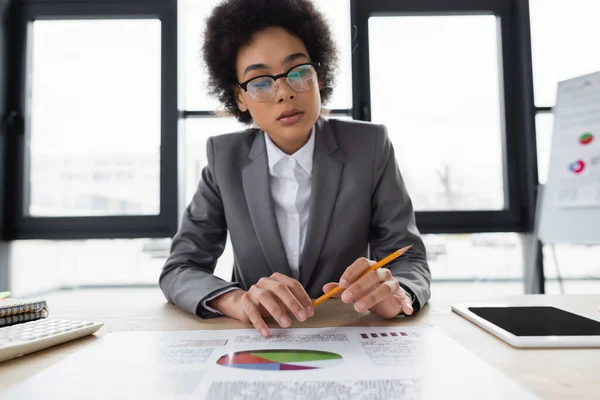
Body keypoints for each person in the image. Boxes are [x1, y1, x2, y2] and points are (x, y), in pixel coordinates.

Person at [159, 0, 431, 337]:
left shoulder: (369, 147)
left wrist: (398, 292)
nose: (286, 93)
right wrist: (237, 301)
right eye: (260, 82)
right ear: (239, 97)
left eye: (299, 72)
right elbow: (180, 268)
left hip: (349, 335)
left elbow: (408, 258)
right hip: (260, 340)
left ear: (319, 74)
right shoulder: (224, 158)